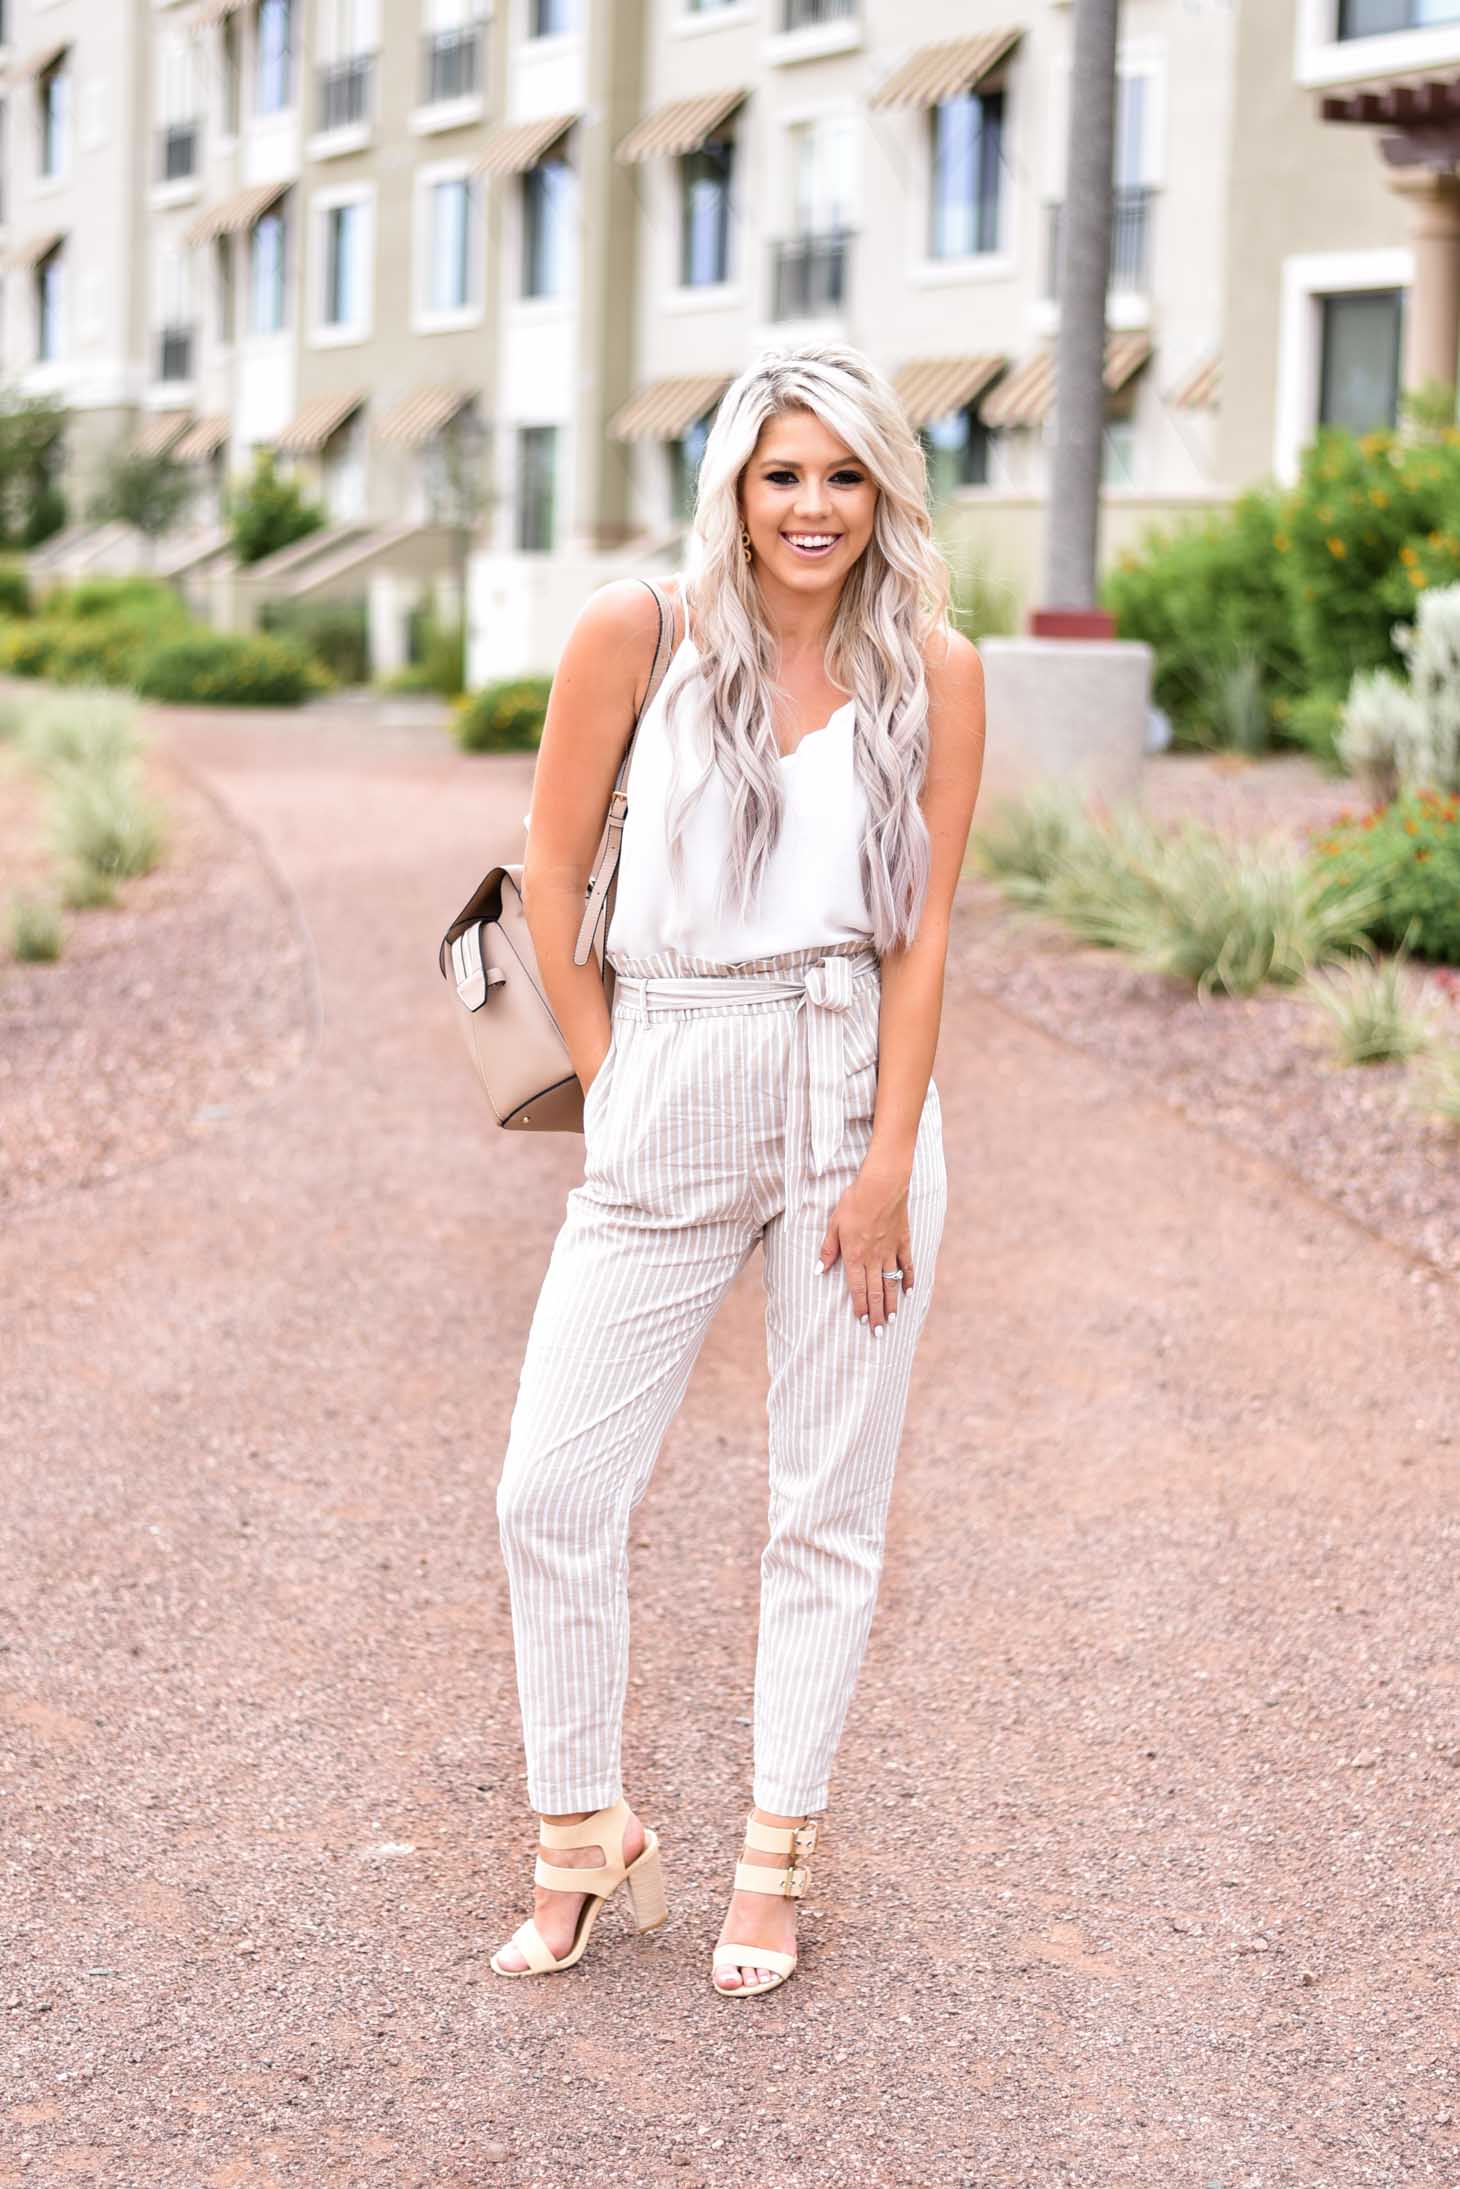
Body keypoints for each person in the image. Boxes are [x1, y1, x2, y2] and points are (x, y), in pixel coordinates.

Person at [488, 341, 986, 1997]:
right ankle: (580, 1829)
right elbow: (549, 880)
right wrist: (628, 1078)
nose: (814, 507)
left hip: (856, 1073)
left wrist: (884, 1158)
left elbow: (920, 938)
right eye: (783, 473)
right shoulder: (639, 630)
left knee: (824, 1503)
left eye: (846, 474)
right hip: (675, 1058)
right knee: (550, 1486)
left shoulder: (935, 667)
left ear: (887, 492)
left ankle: (774, 1855)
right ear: (734, 485)